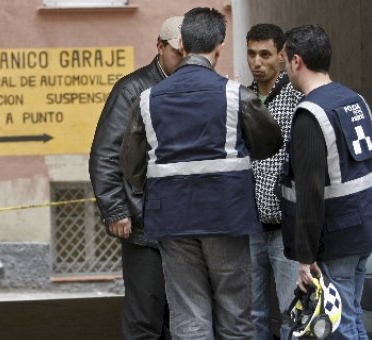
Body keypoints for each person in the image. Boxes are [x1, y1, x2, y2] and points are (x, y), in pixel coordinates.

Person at [120, 7, 282, 339]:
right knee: (236, 313)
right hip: (226, 214)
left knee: (188, 312)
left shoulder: (147, 100)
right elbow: (270, 142)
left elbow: (131, 168)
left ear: (181, 43)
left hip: (173, 219)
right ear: (219, 46)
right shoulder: (236, 95)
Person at [279, 24, 372, 339]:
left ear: (297, 61)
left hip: (338, 236)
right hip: (365, 227)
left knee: (339, 326)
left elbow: (310, 192)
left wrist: (305, 256)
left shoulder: (310, 114)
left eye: (285, 60)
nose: (285, 68)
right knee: (353, 318)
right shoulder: (354, 99)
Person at [89, 15, 183, 340]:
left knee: (179, 320)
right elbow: (105, 153)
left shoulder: (194, 86)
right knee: (144, 320)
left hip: (185, 226)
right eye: (177, 52)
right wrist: (115, 209)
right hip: (144, 225)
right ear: (159, 47)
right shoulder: (132, 90)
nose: (184, 60)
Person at [245, 23, 301, 340]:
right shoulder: (242, 98)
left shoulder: (296, 97)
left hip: (285, 227)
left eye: (265, 54)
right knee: (253, 313)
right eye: (251, 53)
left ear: (281, 56)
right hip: (250, 227)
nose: (257, 62)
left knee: (291, 309)